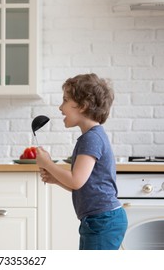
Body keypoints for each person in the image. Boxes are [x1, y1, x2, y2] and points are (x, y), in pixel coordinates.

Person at [35, 73, 128, 250]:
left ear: (83, 106)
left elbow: (76, 180)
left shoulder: (91, 139)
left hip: (102, 221)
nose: (60, 107)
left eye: (65, 100)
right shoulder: (91, 137)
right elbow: (84, 184)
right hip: (99, 220)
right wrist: (56, 180)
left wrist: (47, 163)